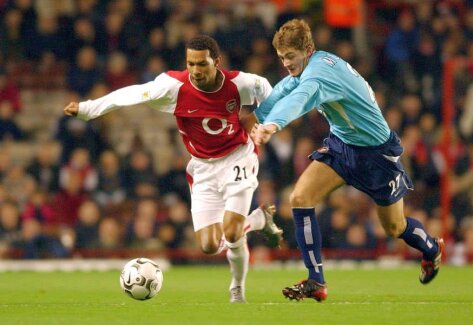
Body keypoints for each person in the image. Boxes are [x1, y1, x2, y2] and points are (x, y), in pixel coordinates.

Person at [63, 35, 283, 303]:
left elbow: (269, 91)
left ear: (217, 62)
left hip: (238, 158)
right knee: (209, 246)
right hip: (202, 167)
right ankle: (258, 219)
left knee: (233, 232)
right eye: (190, 64)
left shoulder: (240, 84)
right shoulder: (173, 86)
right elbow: (130, 94)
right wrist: (88, 109)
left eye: (202, 64)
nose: (195, 71)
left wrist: (268, 122)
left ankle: (237, 288)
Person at [253, 19, 444, 302]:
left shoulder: (320, 76)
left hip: (376, 155)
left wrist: (273, 124)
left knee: (394, 227)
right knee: (300, 197)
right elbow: (284, 89)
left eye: (290, 57)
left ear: (307, 49)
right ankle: (316, 281)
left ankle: (431, 249)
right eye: (281, 58)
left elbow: (301, 97)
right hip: (343, 146)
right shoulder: (310, 66)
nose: (286, 63)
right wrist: (257, 118)